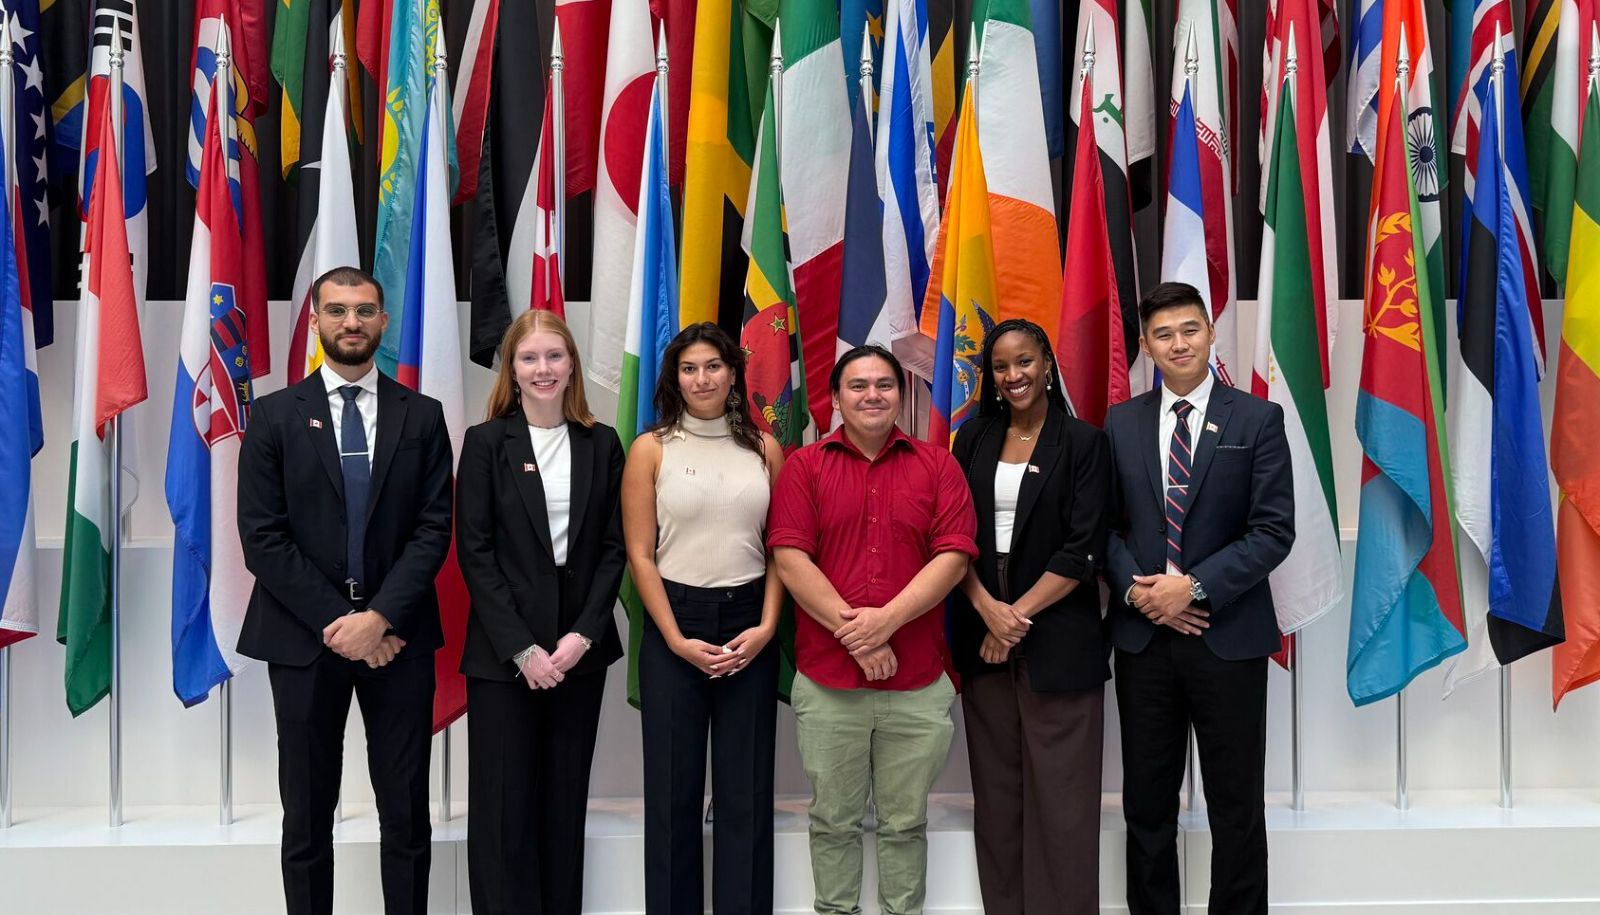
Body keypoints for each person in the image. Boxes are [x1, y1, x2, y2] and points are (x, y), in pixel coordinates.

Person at [237, 266, 453, 915]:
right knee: (305, 817)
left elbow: (434, 527)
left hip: (400, 642)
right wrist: (346, 623)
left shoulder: (424, 415)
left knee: (406, 815)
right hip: (304, 641)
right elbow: (263, 537)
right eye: (337, 310)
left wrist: (380, 616)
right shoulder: (274, 416)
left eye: (364, 310)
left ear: (383, 321)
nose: (351, 322)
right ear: (316, 319)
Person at [1104, 282, 1295, 915]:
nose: (1178, 343)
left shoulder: (1257, 419)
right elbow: (1103, 528)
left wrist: (1194, 586)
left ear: (1211, 333)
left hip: (1228, 640)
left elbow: (1273, 531)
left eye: (1189, 329)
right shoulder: (1121, 421)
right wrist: (1142, 592)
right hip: (1144, 644)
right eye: (1163, 334)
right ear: (1145, 346)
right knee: (1147, 807)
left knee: (1235, 806)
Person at [768, 345, 977, 915]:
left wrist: (884, 622)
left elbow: (954, 557)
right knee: (832, 821)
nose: (872, 395)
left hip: (916, 683)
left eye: (884, 385)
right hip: (830, 684)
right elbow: (790, 559)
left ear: (902, 395)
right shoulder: (805, 467)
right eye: (857, 386)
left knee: (905, 823)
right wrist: (859, 637)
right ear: (835, 398)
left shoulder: (939, 466)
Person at [455, 309, 627, 915]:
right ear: (512, 369)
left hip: (579, 653)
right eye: (529, 358)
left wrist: (583, 635)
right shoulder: (484, 444)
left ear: (572, 364)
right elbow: (475, 552)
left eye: (554, 356)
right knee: (503, 810)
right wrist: (523, 648)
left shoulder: (602, 442)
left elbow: (615, 549)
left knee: (562, 804)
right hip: (505, 656)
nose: (543, 368)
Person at [622, 322, 786, 915]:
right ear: (675, 378)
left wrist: (767, 628)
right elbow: (640, 554)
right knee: (672, 796)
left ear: (734, 373)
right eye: (689, 369)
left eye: (713, 366)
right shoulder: (652, 448)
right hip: (675, 623)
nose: (702, 378)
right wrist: (674, 638)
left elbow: (780, 550)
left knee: (745, 794)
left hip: (750, 624)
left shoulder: (765, 449)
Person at [948, 319, 1112, 915]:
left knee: (1063, 807)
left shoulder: (1086, 442)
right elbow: (954, 538)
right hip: (980, 635)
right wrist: (987, 613)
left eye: (1024, 361)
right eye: (1000, 366)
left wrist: (1011, 619)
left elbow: (1082, 548)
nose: (1012, 375)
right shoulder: (972, 438)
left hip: (1059, 645)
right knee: (997, 800)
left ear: (1045, 361)